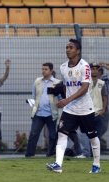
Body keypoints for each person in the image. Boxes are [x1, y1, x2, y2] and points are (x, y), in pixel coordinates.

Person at [47, 39, 101, 174]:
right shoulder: (63, 67)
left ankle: (96, 164)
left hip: (85, 109)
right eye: (67, 47)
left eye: (71, 47)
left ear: (78, 50)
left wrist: (66, 100)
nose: (68, 49)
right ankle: (58, 165)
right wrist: (64, 99)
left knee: (92, 137)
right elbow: (67, 86)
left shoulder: (85, 66)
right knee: (62, 134)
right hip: (70, 109)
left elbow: (84, 88)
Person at [25, 63, 60, 157]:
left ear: (51, 71)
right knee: (33, 134)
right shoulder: (37, 81)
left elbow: (60, 98)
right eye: (43, 69)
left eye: (46, 69)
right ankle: (29, 154)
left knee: (52, 135)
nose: (43, 71)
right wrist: (34, 108)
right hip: (39, 113)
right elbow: (34, 96)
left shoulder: (57, 83)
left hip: (51, 114)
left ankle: (51, 154)